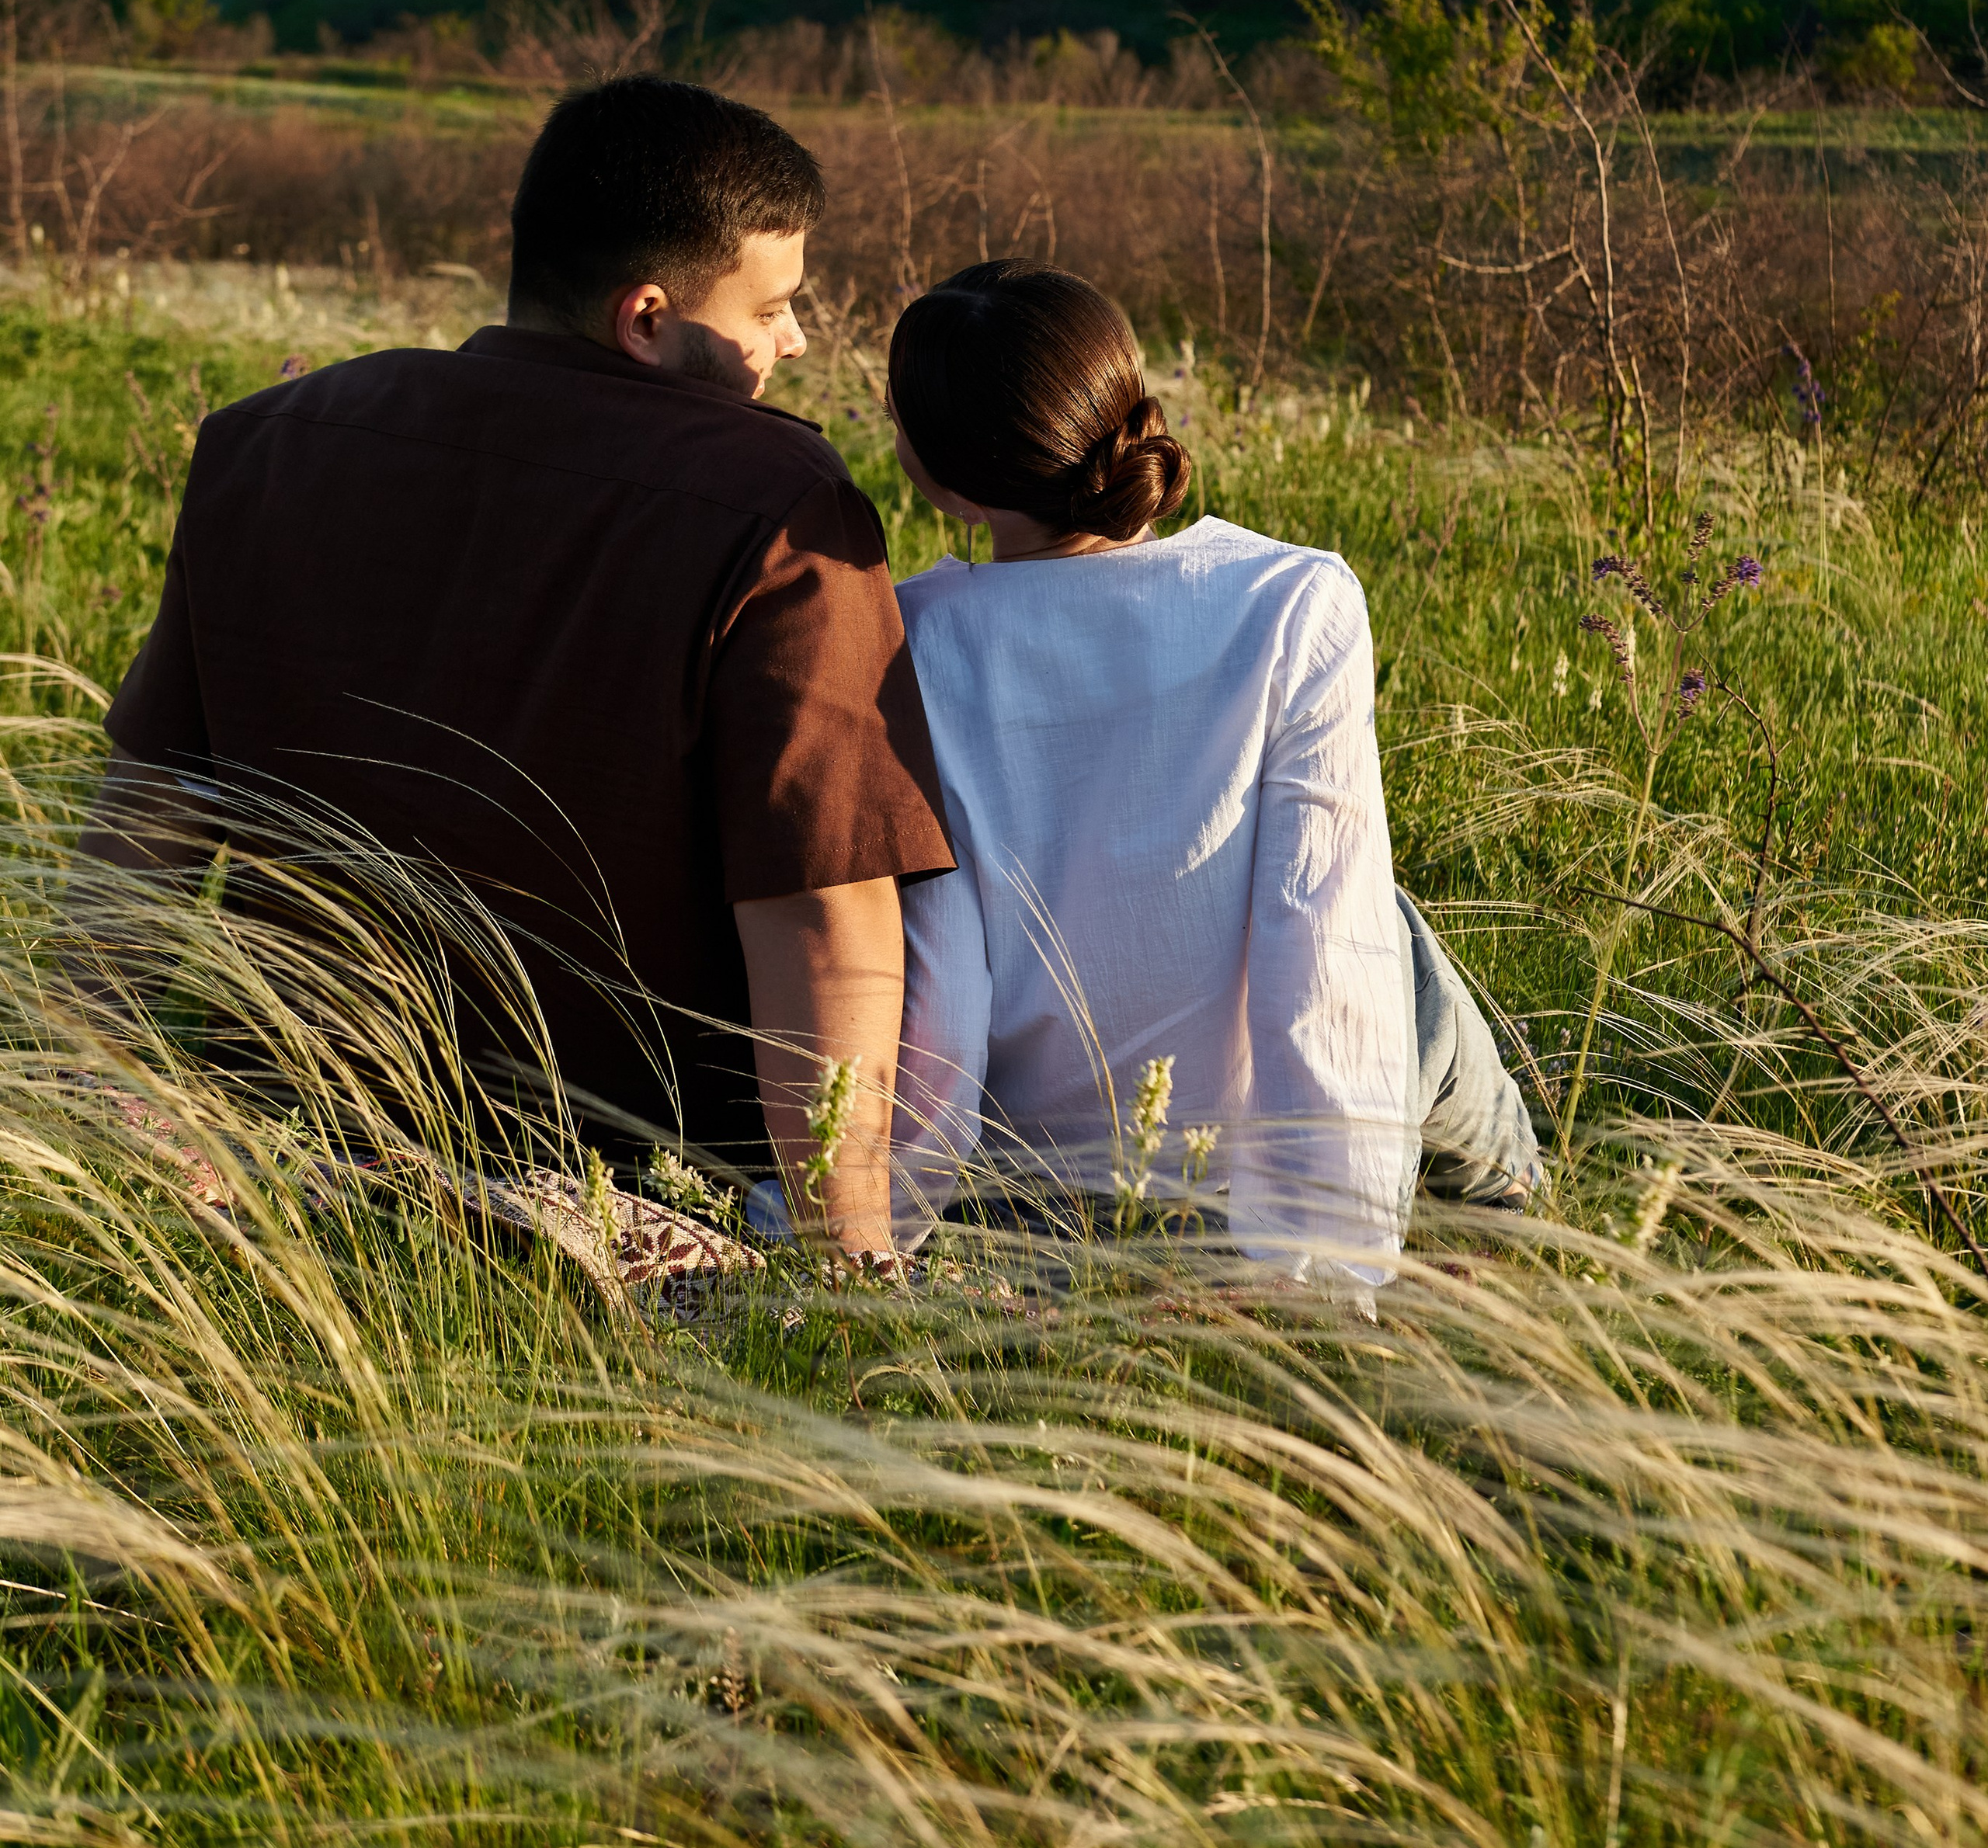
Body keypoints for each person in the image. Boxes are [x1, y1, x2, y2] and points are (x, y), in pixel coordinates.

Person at [87, 78, 954, 1257]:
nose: (793, 341)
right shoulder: (782, 515)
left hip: (277, 1176)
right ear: (646, 317)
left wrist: (85, 1118)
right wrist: (850, 1262)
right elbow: (824, 917)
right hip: (614, 1211)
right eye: (772, 307)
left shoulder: (266, 443)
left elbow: (145, 819)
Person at [881, 260, 1542, 1284]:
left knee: (1384, 925)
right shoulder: (1292, 600)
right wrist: (1326, 1271)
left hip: (1037, 1184)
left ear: (936, 474)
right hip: (1241, 1171)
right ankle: (1516, 1206)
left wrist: (872, 1222)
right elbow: (1322, 958)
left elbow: (943, 1002)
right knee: (1387, 930)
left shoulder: (910, 642)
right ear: (1127, 408)